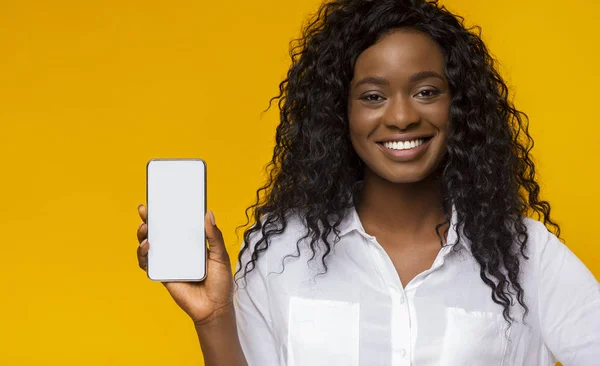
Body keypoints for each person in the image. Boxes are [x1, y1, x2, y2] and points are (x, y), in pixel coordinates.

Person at [135, 0, 600, 365]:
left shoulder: (525, 254)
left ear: (459, 106)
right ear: (342, 113)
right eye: (373, 96)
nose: (401, 116)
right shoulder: (282, 253)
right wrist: (214, 319)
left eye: (426, 92)